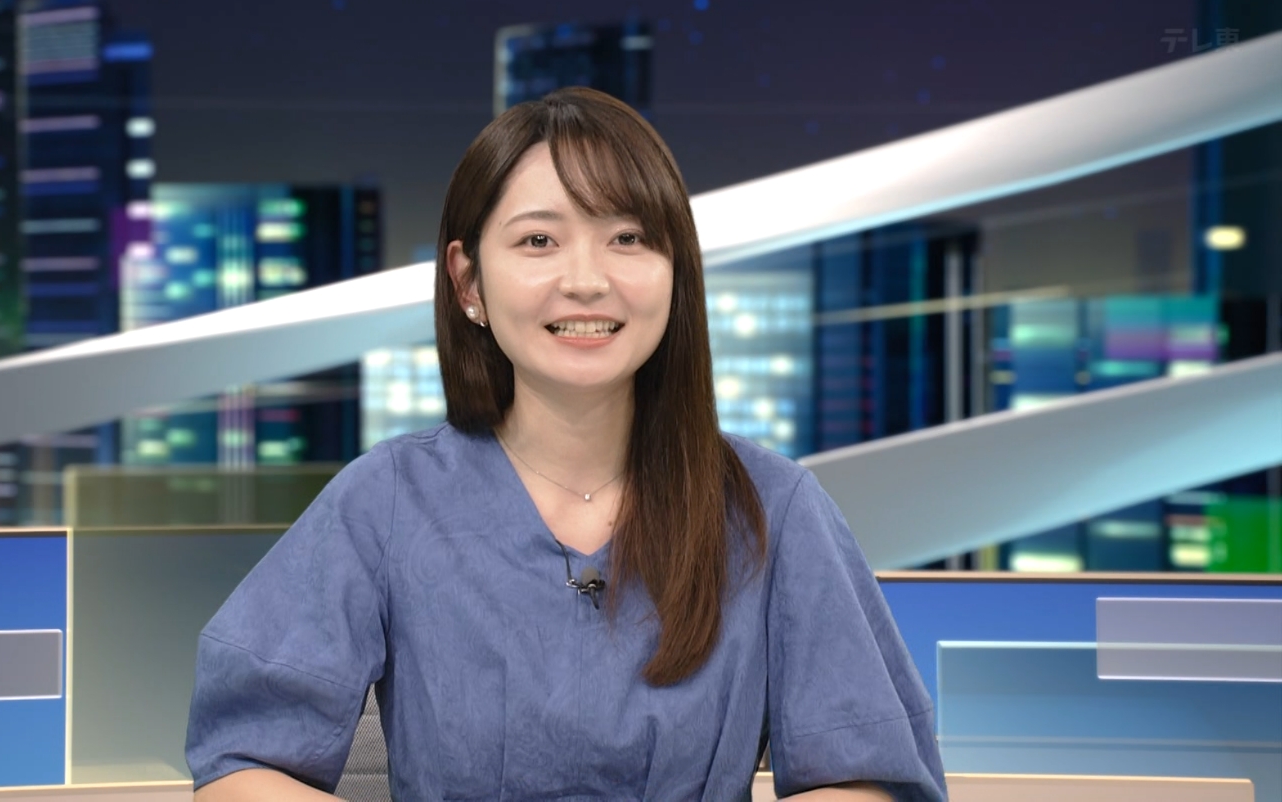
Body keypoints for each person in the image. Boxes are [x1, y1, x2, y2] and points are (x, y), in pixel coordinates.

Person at [185, 87, 947, 802]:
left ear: (676, 273)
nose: (586, 280)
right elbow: (241, 762)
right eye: (539, 240)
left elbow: (868, 778)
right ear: (469, 283)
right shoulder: (384, 501)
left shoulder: (773, 507)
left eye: (628, 238)